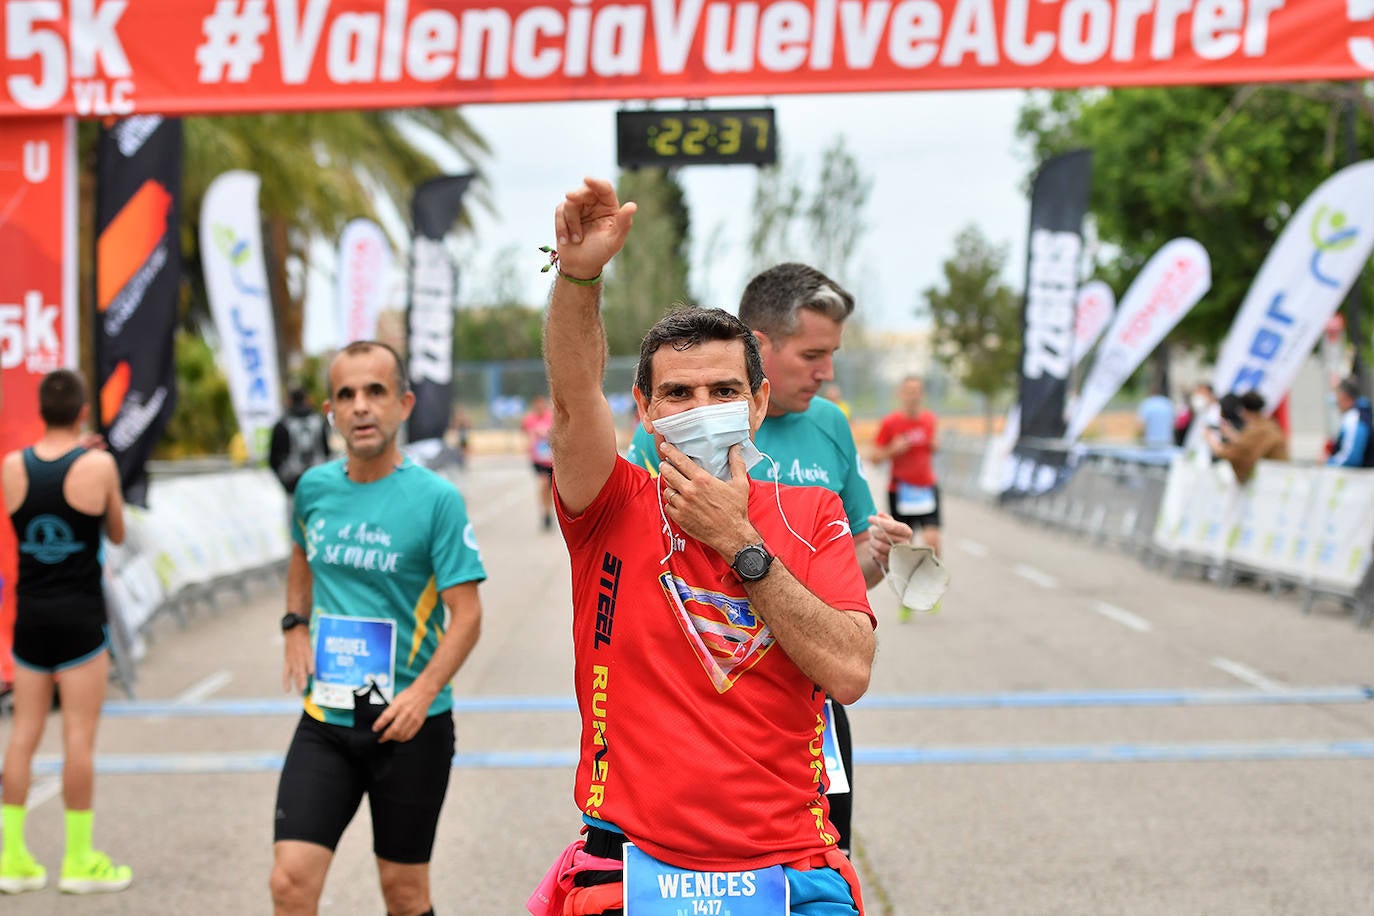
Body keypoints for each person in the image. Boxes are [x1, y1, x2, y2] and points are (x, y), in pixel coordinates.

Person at [532, 177, 872, 916]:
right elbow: (571, 397)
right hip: (631, 862)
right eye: (677, 394)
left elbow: (848, 670)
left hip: (788, 863)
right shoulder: (611, 501)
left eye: (723, 390)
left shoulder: (812, 513)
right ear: (646, 412)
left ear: (755, 404)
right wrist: (580, 275)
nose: (701, 409)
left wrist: (740, 542)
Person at [625, 261, 912, 856]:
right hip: (701, 703)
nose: (826, 372)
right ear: (761, 345)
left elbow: (843, 575)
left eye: (832, 354)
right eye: (812, 355)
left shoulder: (829, 424)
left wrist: (879, 556)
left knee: (821, 859)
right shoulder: (670, 430)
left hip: (808, 706)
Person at [269, 341, 485, 916]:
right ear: (330, 412)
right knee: (290, 883)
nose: (361, 406)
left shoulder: (437, 500)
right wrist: (294, 623)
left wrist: (421, 694)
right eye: (346, 395)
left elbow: (467, 617)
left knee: (404, 893)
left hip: (410, 725)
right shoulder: (313, 489)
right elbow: (300, 555)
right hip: (327, 719)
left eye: (375, 392)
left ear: (404, 403)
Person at [1, 369, 132, 895]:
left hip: (30, 618)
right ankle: (78, 860)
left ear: (41, 409)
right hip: (80, 620)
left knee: (23, 735)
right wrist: (98, 468)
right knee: (78, 737)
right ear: (82, 411)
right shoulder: (98, 464)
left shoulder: (12, 466)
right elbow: (118, 532)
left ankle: (11, 858)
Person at [871, 375, 941, 563]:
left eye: (917, 391)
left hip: (926, 487)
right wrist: (892, 450)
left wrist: (935, 445)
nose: (913, 396)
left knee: (933, 542)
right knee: (903, 547)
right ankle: (909, 587)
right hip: (901, 490)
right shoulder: (890, 423)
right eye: (909, 392)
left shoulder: (929, 419)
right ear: (901, 394)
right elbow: (874, 458)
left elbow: (934, 446)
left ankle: (932, 584)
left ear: (922, 394)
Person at [1205, 390, 1289, 484]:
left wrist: (1210, 438)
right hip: (1277, 478)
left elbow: (1236, 452)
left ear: (1243, 410)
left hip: (1272, 482)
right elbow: (1247, 444)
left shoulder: (1258, 429)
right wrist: (1231, 434)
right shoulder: (1268, 425)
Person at [268, 386, 332, 497]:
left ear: (289, 401)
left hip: (293, 484)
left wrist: (283, 480)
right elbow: (327, 450)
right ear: (306, 399)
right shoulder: (319, 420)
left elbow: (273, 458)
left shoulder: (282, 424)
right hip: (320, 479)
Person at [523, 394, 556, 531]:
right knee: (543, 484)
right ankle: (545, 514)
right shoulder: (529, 420)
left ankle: (549, 511)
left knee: (550, 489)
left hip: (552, 459)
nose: (539, 408)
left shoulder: (552, 417)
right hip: (538, 459)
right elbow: (527, 435)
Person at [1327, 377, 1373, 468]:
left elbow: (1351, 458)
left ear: (1344, 397)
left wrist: (1329, 462)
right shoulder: (1363, 412)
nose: (1336, 402)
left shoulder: (1354, 418)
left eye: (1337, 396)